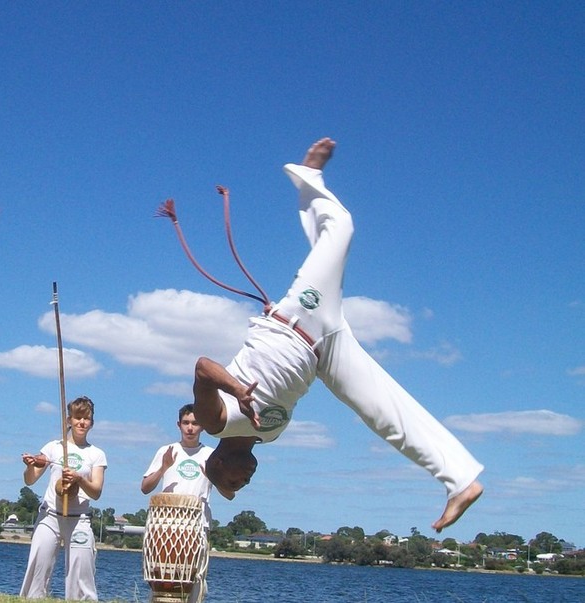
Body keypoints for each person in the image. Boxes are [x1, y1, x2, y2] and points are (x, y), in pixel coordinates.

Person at [190, 138, 483, 532]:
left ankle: (309, 178)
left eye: (233, 482)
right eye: (241, 487)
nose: (244, 482)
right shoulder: (270, 436)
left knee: (341, 227)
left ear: (218, 462)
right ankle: (460, 480)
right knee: (381, 409)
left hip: (298, 319)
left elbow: (203, 368)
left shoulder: (217, 423)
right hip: (325, 354)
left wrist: (237, 389)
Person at [20, 397, 107, 600]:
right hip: (49, 516)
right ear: (69, 420)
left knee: (81, 574)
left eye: (86, 419)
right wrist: (29, 464)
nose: (81, 423)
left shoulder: (97, 454)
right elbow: (29, 480)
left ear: (92, 423)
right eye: (77, 418)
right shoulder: (53, 447)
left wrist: (79, 478)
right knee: (37, 568)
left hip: (79, 519)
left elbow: (96, 492)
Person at [140, 403, 214, 603]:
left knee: (195, 582)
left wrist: (212, 476)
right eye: (186, 423)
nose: (190, 428)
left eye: (195, 423)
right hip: (167, 526)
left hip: (198, 526)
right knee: (163, 584)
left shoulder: (211, 455)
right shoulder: (167, 450)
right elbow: (145, 487)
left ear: (203, 426)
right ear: (179, 425)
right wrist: (163, 468)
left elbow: (229, 493)